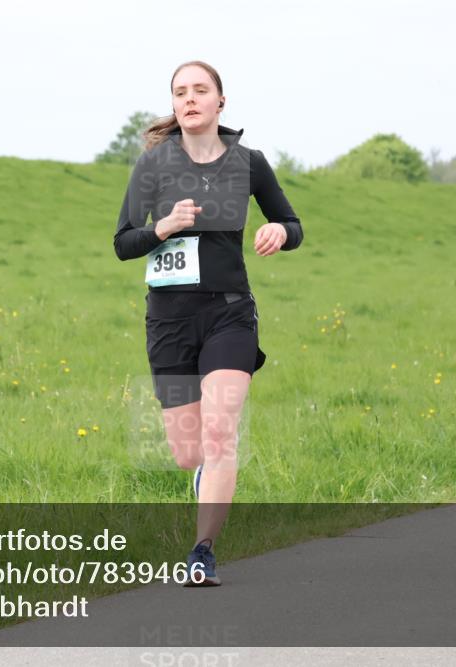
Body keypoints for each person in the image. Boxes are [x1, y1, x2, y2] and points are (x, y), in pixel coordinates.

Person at [113, 60, 303, 586]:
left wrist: (281, 235)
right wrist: (163, 228)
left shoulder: (248, 162)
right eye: (181, 92)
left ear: (221, 102)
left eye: (201, 90)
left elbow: (291, 221)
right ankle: (201, 478)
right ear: (173, 105)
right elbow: (123, 242)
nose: (190, 99)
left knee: (221, 433)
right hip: (169, 321)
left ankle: (202, 551)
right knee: (188, 452)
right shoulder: (153, 166)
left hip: (229, 313)